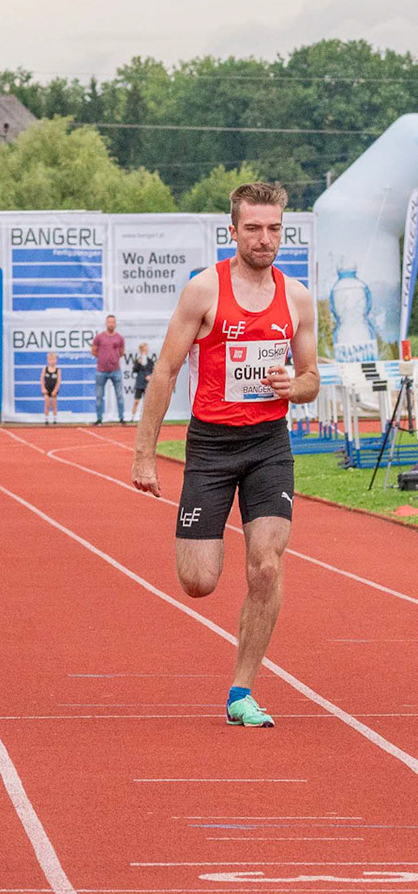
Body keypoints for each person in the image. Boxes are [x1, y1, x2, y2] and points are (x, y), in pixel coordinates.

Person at [131, 182, 318, 729]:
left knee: (266, 564)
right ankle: (214, 544)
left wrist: (293, 386)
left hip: (269, 445)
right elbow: (165, 372)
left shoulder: (297, 297)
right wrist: (144, 455)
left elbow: (311, 378)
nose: (265, 238)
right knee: (199, 581)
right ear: (233, 230)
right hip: (211, 446)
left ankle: (242, 691)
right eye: (253, 228)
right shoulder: (203, 290)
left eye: (274, 228)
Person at [91, 314, 128, 425]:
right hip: (101, 371)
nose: (111, 324)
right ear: (106, 323)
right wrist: (103, 358)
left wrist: (113, 358)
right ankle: (99, 419)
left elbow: (121, 353)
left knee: (119, 395)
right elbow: (93, 351)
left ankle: (121, 418)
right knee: (99, 396)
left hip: (115, 370)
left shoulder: (119, 338)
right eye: (109, 322)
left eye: (113, 322)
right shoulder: (99, 337)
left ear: (115, 324)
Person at [129, 342, 156, 418]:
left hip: (147, 383)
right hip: (139, 383)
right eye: (143, 350)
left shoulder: (150, 361)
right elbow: (134, 370)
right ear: (140, 351)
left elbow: (153, 371)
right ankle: (132, 417)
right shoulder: (137, 360)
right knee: (136, 401)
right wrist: (138, 363)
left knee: (147, 402)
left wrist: (149, 376)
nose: (145, 352)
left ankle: (145, 417)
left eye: (146, 350)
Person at [40, 350, 62, 424]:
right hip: (47, 389)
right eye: (50, 360)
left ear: (56, 360)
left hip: (54, 389)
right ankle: (46, 419)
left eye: (53, 360)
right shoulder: (45, 369)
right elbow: (42, 379)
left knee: (54, 404)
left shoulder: (58, 370)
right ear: (47, 360)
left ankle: (55, 418)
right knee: (47, 404)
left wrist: (55, 390)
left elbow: (58, 381)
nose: (52, 361)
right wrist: (43, 388)